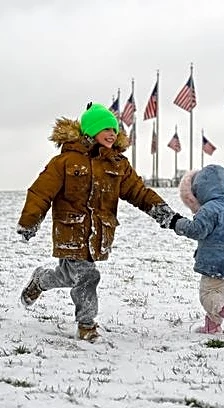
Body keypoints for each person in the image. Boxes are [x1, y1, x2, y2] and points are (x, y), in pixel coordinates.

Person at [16, 103, 177, 342]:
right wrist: (30, 221)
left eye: (114, 129)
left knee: (69, 276)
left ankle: (41, 279)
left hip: (99, 233)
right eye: (106, 128)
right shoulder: (65, 162)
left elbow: (138, 192)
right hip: (71, 230)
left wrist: (165, 214)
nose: (112, 133)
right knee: (88, 276)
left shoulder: (117, 164)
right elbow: (41, 192)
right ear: (90, 130)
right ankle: (87, 326)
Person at [164, 164, 224, 337]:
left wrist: (177, 223)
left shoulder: (210, 209)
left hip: (215, 262)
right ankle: (213, 327)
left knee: (208, 294)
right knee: (217, 292)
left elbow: (197, 230)